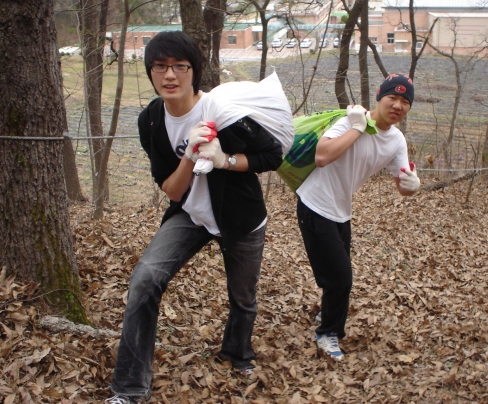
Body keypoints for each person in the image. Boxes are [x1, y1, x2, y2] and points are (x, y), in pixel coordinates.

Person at [106, 31, 283, 404]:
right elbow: (172, 190)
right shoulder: (151, 121)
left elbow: (272, 156)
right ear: (150, 72)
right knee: (144, 280)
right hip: (190, 213)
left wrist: (225, 160)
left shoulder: (222, 112)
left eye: (179, 66)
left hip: (241, 217)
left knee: (243, 296)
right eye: (160, 67)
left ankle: (237, 352)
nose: (170, 75)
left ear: (194, 71)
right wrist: (189, 154)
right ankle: (130, 388)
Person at [296, 73, 421, 361]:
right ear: (379, 97)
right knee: (341, 277)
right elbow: (322, 156)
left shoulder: (396, 140)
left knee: (335, 274)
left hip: (342, 210)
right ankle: (328, 333)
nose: (398, 105)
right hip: (315, 203)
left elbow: (403, 186)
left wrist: (413, 185)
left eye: (405, 101)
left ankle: (328, 312)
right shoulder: (352, 120)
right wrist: (357, 128)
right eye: (392, 98)